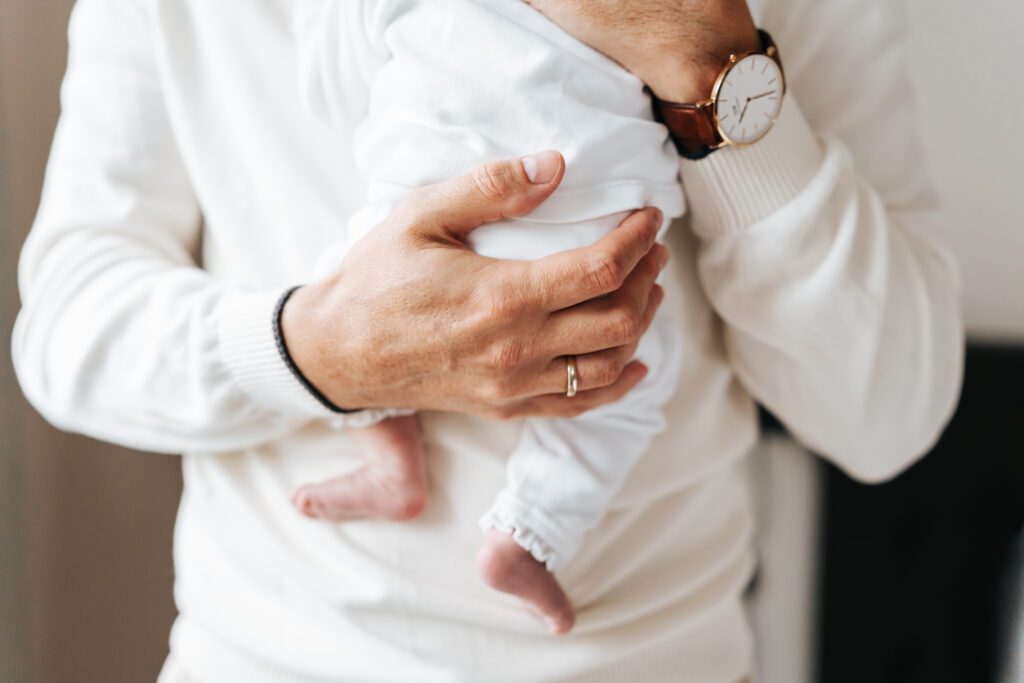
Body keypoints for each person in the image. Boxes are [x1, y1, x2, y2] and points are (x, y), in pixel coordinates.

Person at [11, 0, 964, 681]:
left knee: (632, 359)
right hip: (268, 655)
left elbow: (888, 417)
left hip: (663, 659)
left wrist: (708, 61)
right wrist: (322, 353)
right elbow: (67, 325)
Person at [289, 0, 686, 636]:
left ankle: (392, 458)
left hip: (428, 223)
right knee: (637, 377)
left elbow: (334, 95)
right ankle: (528, 536)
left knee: (338, 301)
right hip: (597, 229)